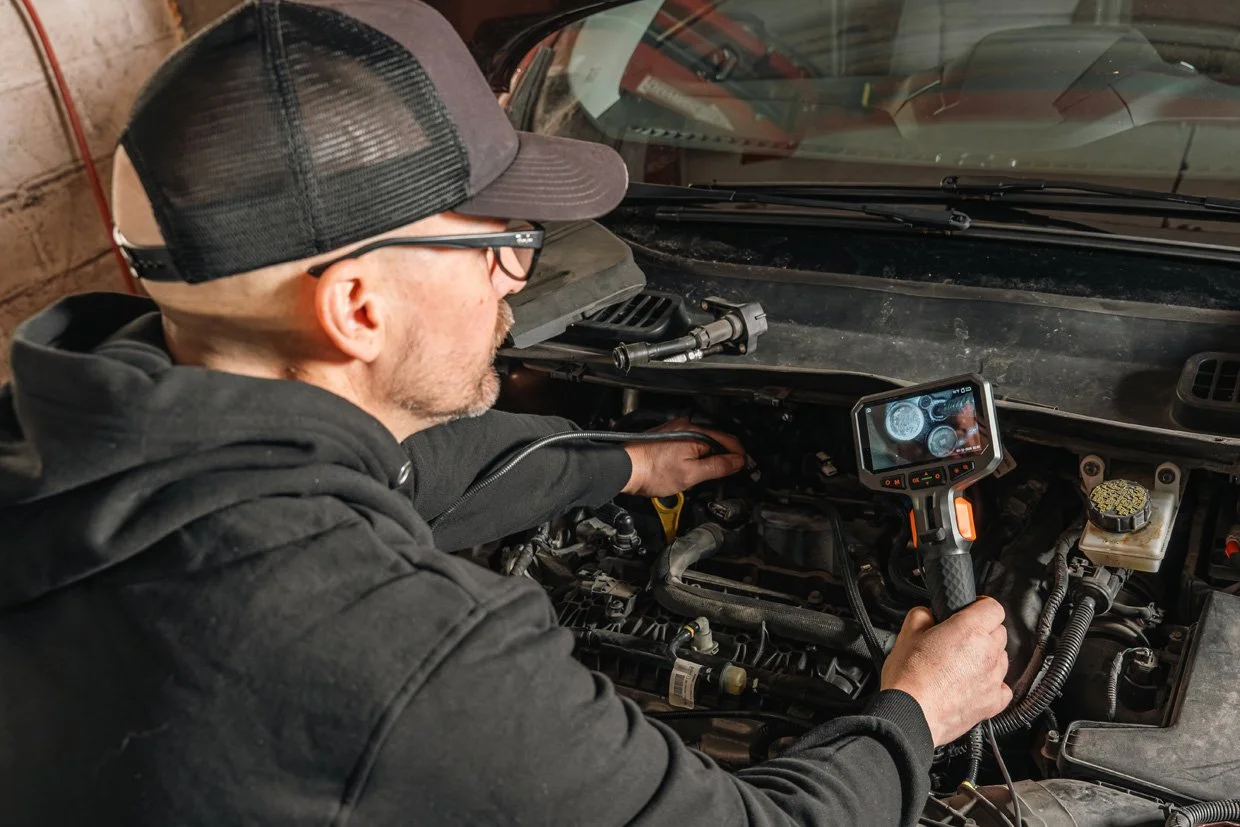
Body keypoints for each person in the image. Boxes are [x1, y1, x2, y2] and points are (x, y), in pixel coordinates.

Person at [0, 1, 1011, 825]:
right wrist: (914, 709)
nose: (512, 281)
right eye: (498, 240)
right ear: (356, 307)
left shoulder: (71, 434)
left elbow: (414, 469)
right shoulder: (389, 643)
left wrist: (623, 463)